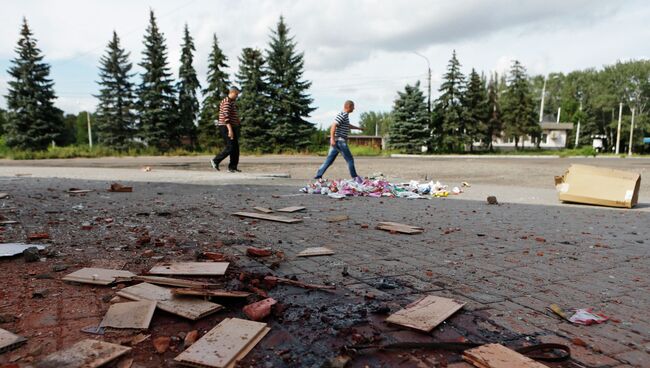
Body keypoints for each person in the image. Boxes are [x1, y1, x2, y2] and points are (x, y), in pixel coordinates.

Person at [314, 100, 363, 181]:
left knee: (329, 160)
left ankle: (318, 175)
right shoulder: (342, 115)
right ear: (349, 106)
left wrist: (358, 128)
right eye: (353, 107)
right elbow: (333, 126)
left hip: (337, 141)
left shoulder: (345, 116)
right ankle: (355, 177)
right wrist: (332, 139)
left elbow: (348, 125)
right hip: (340, 141)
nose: (354, 108)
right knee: (350, 159)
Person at [211, 87, 241, 172]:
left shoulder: (232, 102)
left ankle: (232, 167)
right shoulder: (226, 102)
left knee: (235, 148)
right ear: (232, 92)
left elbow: (231, 115)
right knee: (230, 147)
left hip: (231, 126)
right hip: (226, 127)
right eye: (236, 94)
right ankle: (215, 160)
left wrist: (237, 120)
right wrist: (230, 130)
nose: (237, 96)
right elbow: (226, 117)